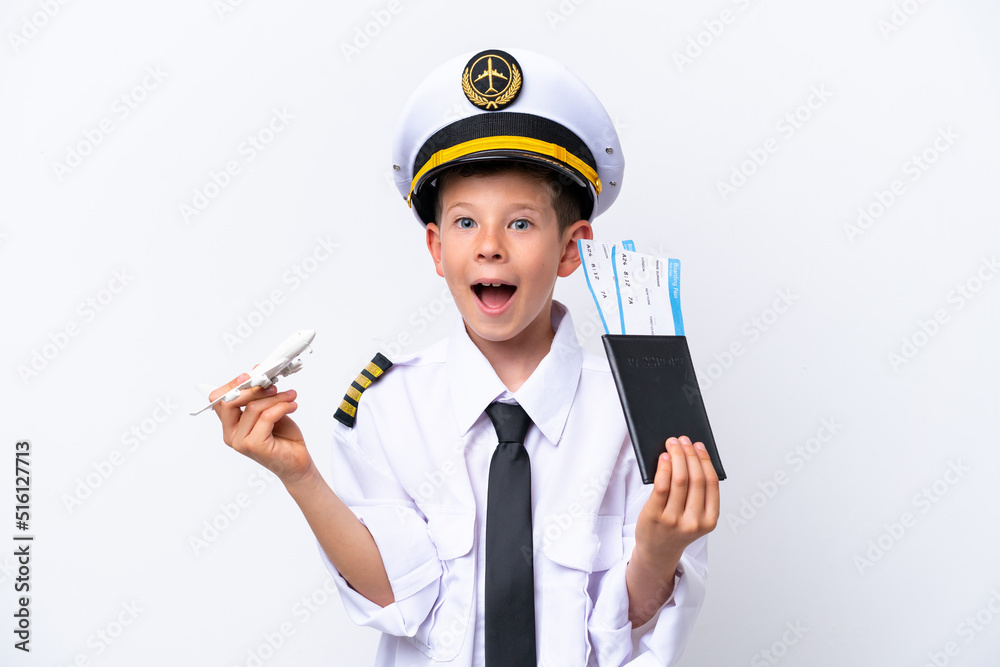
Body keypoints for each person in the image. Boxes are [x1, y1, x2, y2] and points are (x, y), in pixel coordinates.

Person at [209, 47, 719, 665]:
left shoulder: (638, 412)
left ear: (571, 249)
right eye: (465, 223)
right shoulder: (387, 406)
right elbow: (395, 596)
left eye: (522, 224)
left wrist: (661, 551)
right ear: (435, 246)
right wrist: (300, 476)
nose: (490, 249)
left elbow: (628, 631)